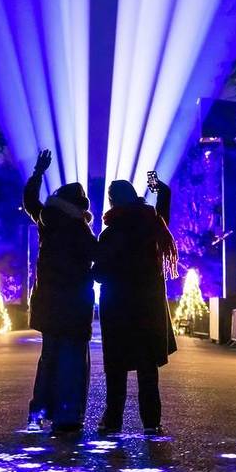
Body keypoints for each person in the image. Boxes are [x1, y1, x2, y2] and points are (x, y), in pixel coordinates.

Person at [94, 177, 178, 435]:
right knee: (147, 368)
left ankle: (113, 420)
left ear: (113, 200)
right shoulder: (152, 224)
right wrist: (160, 188)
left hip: (119, 308)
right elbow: (164, 205)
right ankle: (151, 423)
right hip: (148, 307)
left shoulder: (111, 233)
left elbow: (100, 273)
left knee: (116, 368)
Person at [23, 149, 96, 434]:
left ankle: (39, 411)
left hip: (48, 305)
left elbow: (30, 201)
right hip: (75, 306)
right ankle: (67, 416)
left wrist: (38, 173)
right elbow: (98, 255)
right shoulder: (78, 229)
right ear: (77, 206)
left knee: (49, 357)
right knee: (73, 361)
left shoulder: (47, 221)